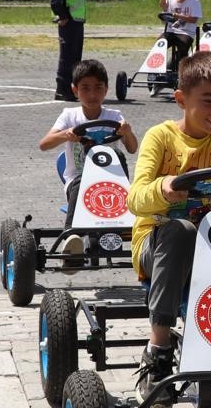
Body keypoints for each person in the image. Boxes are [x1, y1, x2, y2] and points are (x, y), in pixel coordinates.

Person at [126, 53, 211, 407]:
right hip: (157, 243)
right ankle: (158, 350)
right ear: (181, 99)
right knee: (181, 231)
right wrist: (164, 189)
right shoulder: (161, 137)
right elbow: (134, 199)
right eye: (208, 101)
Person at [38, 59, 139, 271]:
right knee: (83, 181)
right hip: (78, 179)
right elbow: (44, 144)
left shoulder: (114, 116)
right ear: (75, 90)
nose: (92, 94)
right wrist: (66, 135)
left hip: (112, 181)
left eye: (98, 88)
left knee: (118, 153)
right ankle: (72, 237)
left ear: (106, 90)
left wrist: (127, 132)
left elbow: (132, 149)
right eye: (85, 88)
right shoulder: (70, 116)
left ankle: (129, 228)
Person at [49, 0, 88, 100]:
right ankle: (62, 90)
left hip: (77, 23)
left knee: (75, 58)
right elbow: (56, 1)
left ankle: (71, 89)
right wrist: (63, 17)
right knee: (67, 57)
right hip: (68, 23)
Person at [158, 0, 202, 67]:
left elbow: (194, 20)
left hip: (186, 32)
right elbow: (164, 21)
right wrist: (164, 9)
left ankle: (184, 70)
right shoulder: (170, 0)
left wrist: (177, 16)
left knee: (182, 47)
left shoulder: (194, 0)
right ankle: (157, 69)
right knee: (159, 44)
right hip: (171, 31)